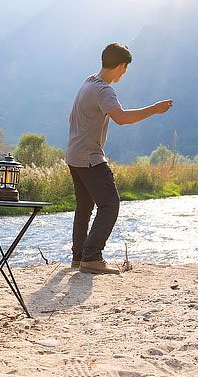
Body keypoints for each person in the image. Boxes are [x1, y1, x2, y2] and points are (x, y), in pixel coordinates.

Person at [64, 42, 173, 274]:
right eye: (125, 69)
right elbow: (121, 118)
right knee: (110, 205)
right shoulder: (103, 90)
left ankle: (78, 257)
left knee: (84, 207)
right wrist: (154, 108)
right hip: (90, 157)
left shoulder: (88, 82)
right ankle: (92, 257)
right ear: (121, 66)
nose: (124, 73)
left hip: (74, 154)